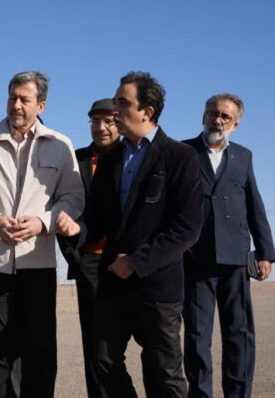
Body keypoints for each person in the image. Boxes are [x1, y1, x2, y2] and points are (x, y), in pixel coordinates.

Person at [0, 71, 84, 397]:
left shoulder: (61, 145)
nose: (16, 105)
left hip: (38, 264)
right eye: (12, 97)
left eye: (25, 99)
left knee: (39, 350)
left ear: (41, 105)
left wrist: (43, 222)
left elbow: (74, 197)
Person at [82, 72, 203, 397]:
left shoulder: (180, 156)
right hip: (113, 283)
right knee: (104, 361)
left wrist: (136, 261)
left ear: (147, 112)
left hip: (158, 285)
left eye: (123, 103)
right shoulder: (110, 160)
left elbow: (187, 227)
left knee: (163, 374)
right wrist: (72, 229)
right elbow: (95, 220)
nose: (115, 110)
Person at [182, 93, 275, 398]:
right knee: (197, 337)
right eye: (213, 113)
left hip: (236, 259)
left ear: (235, 125)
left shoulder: (244, 156)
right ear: (203, 117)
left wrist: (265, 253)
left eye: (225, 117)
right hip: (196, 259)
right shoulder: (183, 152)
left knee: (239, 335)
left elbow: (255, 205)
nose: (217, 120)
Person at [57, 98, 120, 398]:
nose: (101, 127)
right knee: (96, 344)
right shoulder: (76, 160)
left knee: (148, 342)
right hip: (91, 263)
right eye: (95, 121)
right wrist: (76, 258)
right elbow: (60, 209)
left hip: (132, 262)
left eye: (109, 120)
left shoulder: (134, 157)